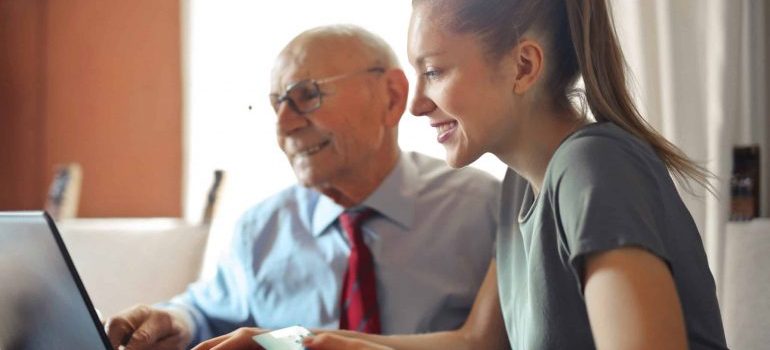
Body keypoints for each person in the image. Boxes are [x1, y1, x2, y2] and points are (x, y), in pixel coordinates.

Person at [196, 0, 729, 349]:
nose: (417, 104)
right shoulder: (523, 184)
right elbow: (477, 342)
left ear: (523, 67)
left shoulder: (593, 169)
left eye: (434, 71)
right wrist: (299, 341)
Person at [103, 24, 500, 350]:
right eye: (277, 104)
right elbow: (206, 312)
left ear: (392, 97)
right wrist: (175, 321)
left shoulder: (487, 209)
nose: (283, 125)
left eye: (306, 96)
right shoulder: (261, 228)